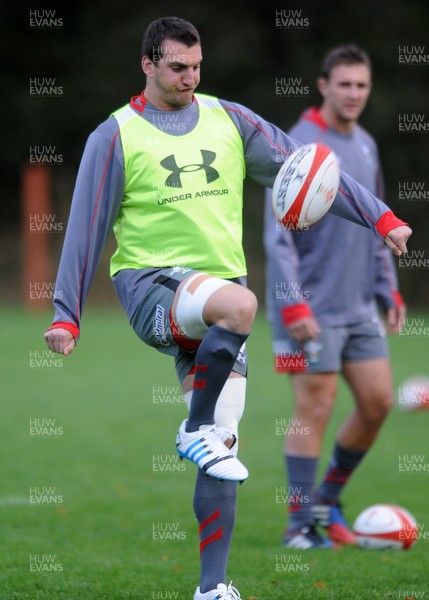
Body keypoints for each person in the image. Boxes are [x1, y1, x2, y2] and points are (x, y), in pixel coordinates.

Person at [43, 17, 411, 599]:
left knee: (224, 446)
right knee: (240, 305)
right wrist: (67, 313)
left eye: (196, 66)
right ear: (147, 64)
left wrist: (382, 219)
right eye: (176, 67)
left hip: (215, 300)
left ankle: (212, 588)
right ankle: (192, 427)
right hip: (150, 287)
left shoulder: (231, 120)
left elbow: (307, 170)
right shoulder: (114, 135)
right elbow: (85, 228)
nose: (189, 77)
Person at [264, 44, 407, 550]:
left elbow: (376, 223)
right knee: (316, 407)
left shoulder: (366, 145)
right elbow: (276, 238)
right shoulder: (297, 144)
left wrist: (387, 286)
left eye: (361, 85)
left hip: (358, 306)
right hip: (308, 311)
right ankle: (299, 526)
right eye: (343, 84)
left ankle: (327, 501)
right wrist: (293, 304)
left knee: (378, 401)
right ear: (323, 86)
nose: (353, 94)